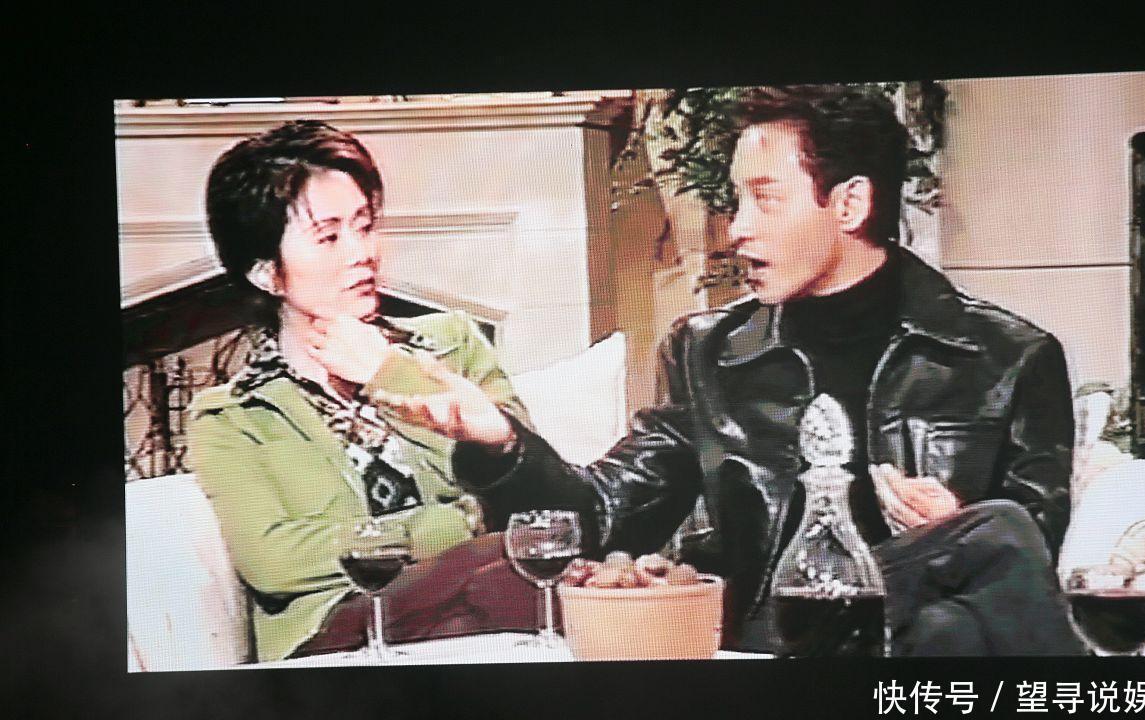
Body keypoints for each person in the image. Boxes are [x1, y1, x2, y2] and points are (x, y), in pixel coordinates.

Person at [392, 86, 1085, 655]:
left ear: (849, 203)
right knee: (985, 558)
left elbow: (1032, 567)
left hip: (921, 650)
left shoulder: (1009, 358)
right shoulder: (709, 353)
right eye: (736, 199)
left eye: (765, 198)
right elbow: (606, 517)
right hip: (771, 646)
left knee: (973, 580)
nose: (738, 228)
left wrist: (952, 528)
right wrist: (498, 442)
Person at [189, 120, 539, 663]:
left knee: (522, 580)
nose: (362, 253)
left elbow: (534, 490)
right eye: (329, 237)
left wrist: (390, 373)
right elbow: (274, 560)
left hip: (481, 602)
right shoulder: (233, 416)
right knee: (503, 571)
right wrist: (463, 522)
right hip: (336, 634)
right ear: (266, 274)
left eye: (365, 226)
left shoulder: (451, 344)